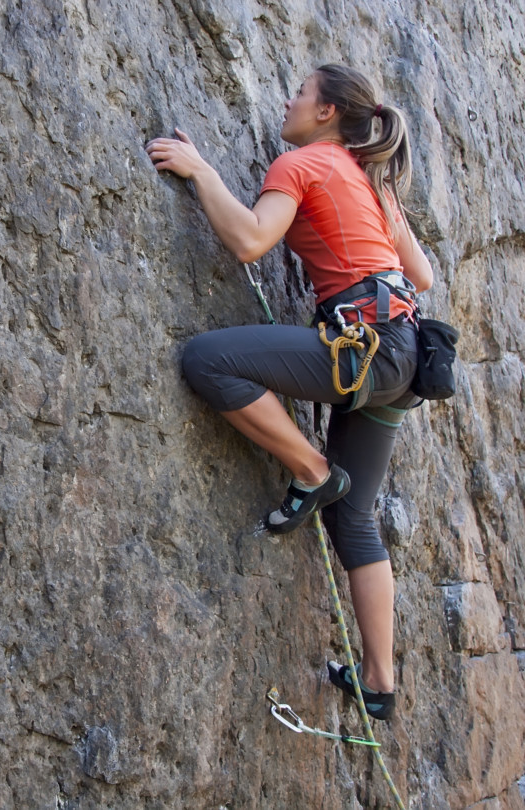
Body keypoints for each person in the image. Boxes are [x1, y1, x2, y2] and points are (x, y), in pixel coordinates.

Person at [145, 64, 434, 720]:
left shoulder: (304, 162)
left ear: (327, 112)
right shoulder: (368, 179)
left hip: (364, 350)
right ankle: (380, 682)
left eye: (300, 93)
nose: (288, 100)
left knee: (208, 360)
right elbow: (422, 273)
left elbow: (250, 239)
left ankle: (309, 469)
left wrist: (201, 172)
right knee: (355, 517)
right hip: (402, 353)